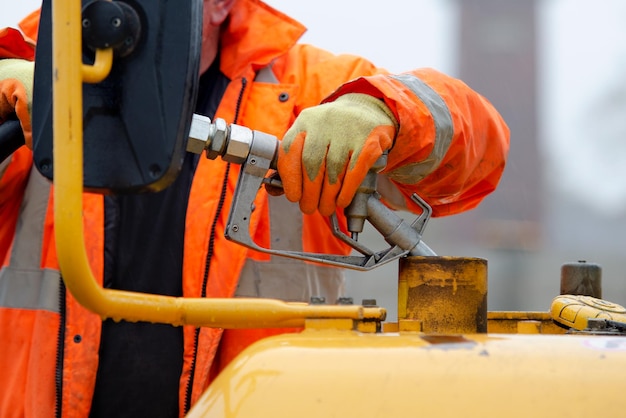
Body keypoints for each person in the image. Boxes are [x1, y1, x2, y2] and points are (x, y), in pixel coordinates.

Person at [0, 0, 510, 416]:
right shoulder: (28, 76)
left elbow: (480, 145)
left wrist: (382, 110)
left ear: (221, 5)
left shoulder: (312, 90)